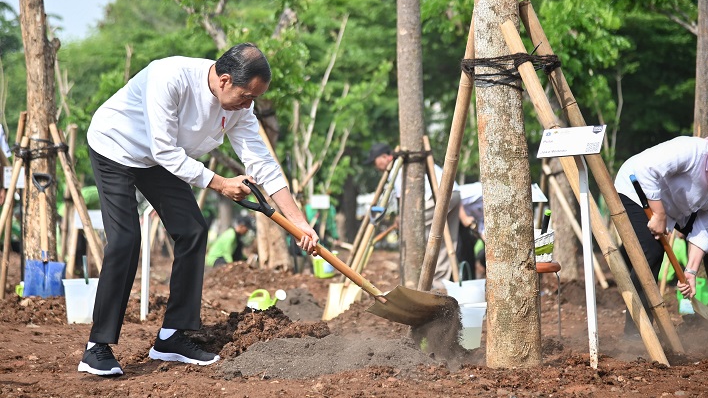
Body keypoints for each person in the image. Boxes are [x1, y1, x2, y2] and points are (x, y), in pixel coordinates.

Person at [81, 43, 318, 376]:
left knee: (192, 230)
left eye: (254, 99)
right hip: (116, 147)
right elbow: (164, 151)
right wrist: (220, 183)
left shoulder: (240, 108)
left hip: (161, 158)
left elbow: (263, 163)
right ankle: (97, 347)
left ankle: (171, 337)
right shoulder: (170, 77)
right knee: (125, 240)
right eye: (247, 96)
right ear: (224, 80)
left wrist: (299, 222)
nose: (249, 105)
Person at [613, 132, 708, 334]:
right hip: (637, 189)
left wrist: (691, 271)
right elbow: (645, 169)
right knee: (651, 252)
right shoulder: (691, 151)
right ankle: (635, 331)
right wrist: (659, 215)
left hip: (677, 205)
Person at [364, 143, 461, 289]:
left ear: (385, 157)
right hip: (454, 192)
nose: (375, 166)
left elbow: (403, 198)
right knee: (446, 239)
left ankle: (425, 281)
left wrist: (402, 219)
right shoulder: (400, 163)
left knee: (416, 231)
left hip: (437, 196)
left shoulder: (397, 165)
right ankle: (441, 283)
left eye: (375, 161)